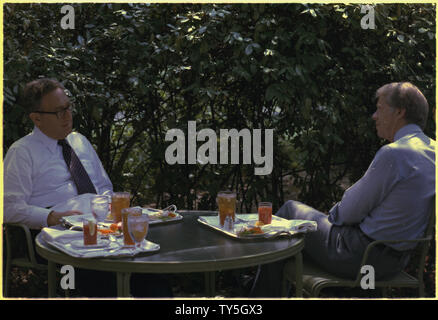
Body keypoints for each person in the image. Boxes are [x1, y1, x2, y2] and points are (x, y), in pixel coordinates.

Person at [249, 82, 435, 297]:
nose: (374, 116)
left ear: (400, 112)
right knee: (295, 235)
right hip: (397, 260)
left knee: (290, 211)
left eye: (380, 108)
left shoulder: (396, 153)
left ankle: (257, 297)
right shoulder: (432, 151)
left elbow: (347, 213)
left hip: (361, 256)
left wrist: (334, 214)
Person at [4, 78, 172, 297]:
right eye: (58, 112)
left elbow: (104, 188)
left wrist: (112, 212)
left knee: (153, 272)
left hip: (102, 232)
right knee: (105, 280)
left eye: (68, 108)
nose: (67, 116)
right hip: (57, 238)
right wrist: (52, 216)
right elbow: (7, 207)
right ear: (37, 119)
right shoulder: (22, 153)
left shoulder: (79, 141)